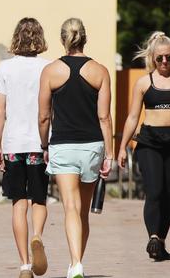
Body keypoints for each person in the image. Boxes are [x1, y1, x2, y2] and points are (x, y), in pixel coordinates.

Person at [117, 31, 170, 261]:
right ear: (152, 58)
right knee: (154, 191)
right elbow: (133, 118)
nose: (164, 62)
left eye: (169, 58)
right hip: (149, 142)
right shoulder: (144, 83)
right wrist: (122, 147)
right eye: (160, 58)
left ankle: (161, 243)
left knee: (167, 195)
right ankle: (153, 237)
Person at [38, 18, 113, 278]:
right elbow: (105, 117)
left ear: (63, 40)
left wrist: (44, 144)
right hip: (92, 146)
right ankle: (77, 262)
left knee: (70, 206)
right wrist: (110, 153)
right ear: (85, 38)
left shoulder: (50, 71)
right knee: (83, 211)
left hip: (63, 144)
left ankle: (75, 264)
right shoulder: (100, 71)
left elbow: (44, 116)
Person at [0, 18, 51, 278]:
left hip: (13, 144)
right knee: (39, 198)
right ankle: (37, 236)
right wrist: (50, 142)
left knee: (19, 202)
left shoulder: (4, 68)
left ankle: (25, 265)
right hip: (39, 143)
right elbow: (51, 110)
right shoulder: (49, 68)